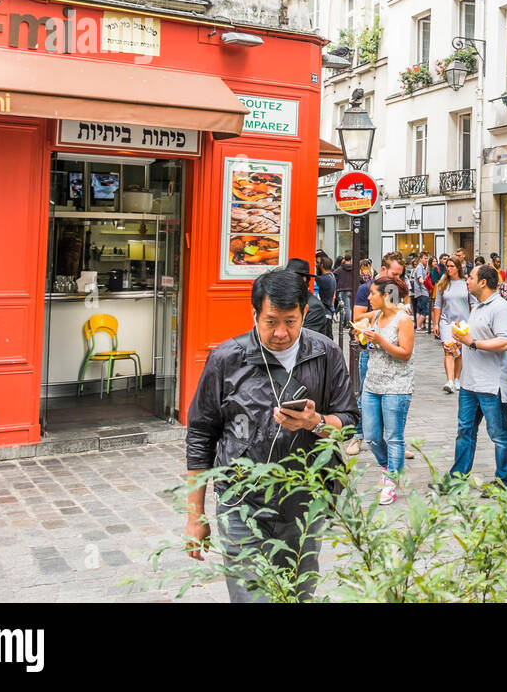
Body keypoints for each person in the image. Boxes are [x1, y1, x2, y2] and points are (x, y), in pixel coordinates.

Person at [184, 269, 359, 603]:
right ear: (254, 314)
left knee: (298, 595)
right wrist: (195, 516)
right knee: (253, 598)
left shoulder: (325, 353)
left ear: (305, 313)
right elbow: (201, 436)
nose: (281, 332)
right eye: (271, 321)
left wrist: (315, 422)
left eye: (291, 321)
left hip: (304, 504)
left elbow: (349, 423)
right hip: (240, 502)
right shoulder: (226, 359)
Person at [444, 265, 507, 490]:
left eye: (471, 277)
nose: (467, 281)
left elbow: (505, 342)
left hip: (491, 384)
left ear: (483, 282)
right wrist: (462, 340)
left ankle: (502, 481)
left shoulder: (500, 308)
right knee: (464, 431)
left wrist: (472, 343)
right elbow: (478, 338)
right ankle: (457, 478)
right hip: (470, 382)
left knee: (499, 434)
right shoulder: (477, 307)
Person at [353, 277, 415, 505]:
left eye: (372, 294)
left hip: (396, 386)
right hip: (372, 383)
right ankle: (388, 467)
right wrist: (361, 335)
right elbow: (357, 319)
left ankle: (391, 481)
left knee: (393, 437)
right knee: (370, 436)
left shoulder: (403, 320)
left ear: (386, 295)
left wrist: (379, 341)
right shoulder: (376, 316)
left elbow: (405, 353)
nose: (368, 298)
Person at [433, 257, 472, 394]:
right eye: (447, 266)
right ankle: (449, 380)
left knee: (459, 352)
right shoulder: (442, 284)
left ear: (458, 268)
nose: (448, 269)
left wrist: (473, 322)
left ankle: (457, 378)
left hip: (463, 322)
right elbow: (437, 305)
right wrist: (436, 323)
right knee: (449, 350)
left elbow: (472, 303)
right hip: (446, 321)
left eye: (451, 266)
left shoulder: (466, 283)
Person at [287, 257, 329, 336]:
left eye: (293, 277)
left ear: (304, 279)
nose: (288, 281)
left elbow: (307, 339)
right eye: (287, 277)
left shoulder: (314, 307)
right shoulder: (289, 298)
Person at [409, 253, 431, 332]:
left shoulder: (422, 268)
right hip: (422, 292)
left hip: (420, 292)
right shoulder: (420, 268)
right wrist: (428, 284)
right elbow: (420, 279)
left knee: (419, 310)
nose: (426, 260)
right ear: (420, 259)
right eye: (425, 258)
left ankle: (418, 327)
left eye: (427, 258)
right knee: (425, 310)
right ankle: (418, 327)